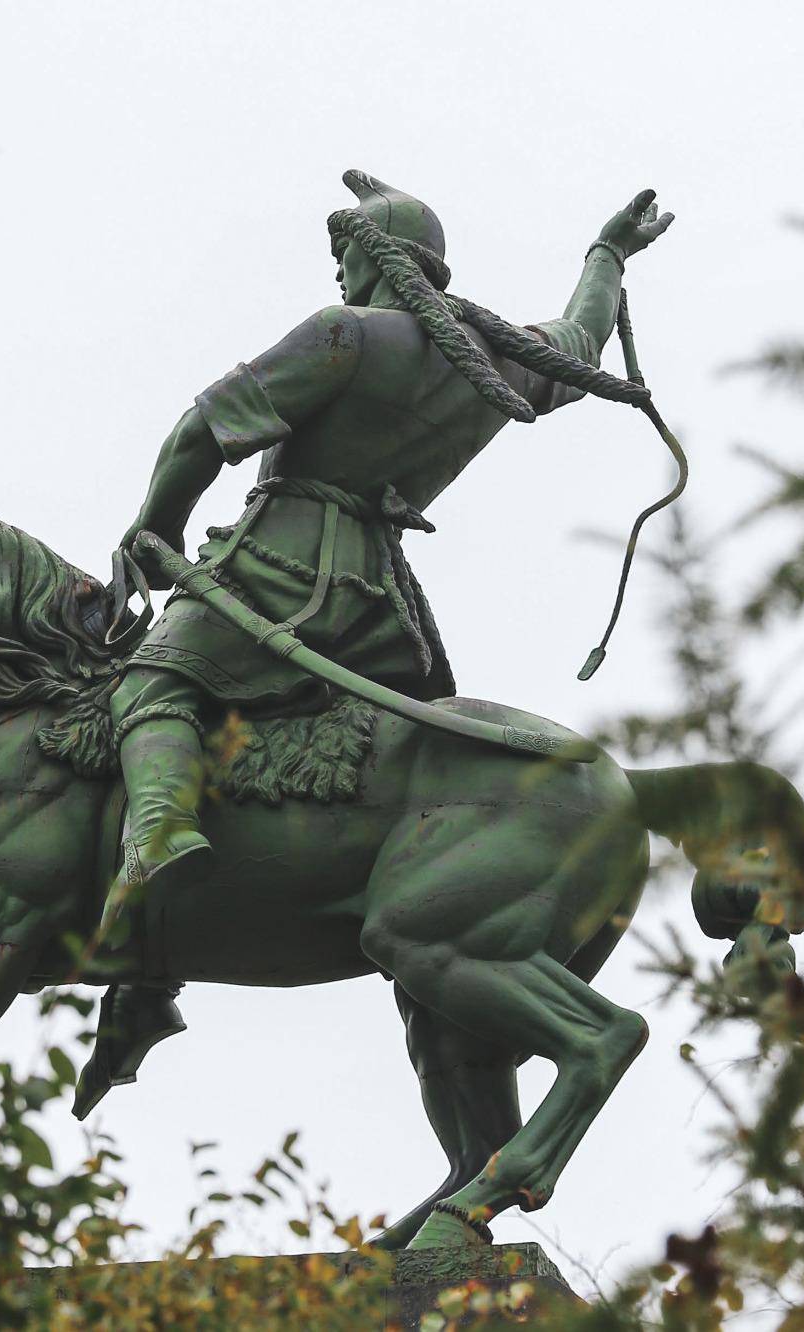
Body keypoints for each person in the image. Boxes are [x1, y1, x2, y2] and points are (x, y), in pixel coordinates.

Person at [74, 170, 674, 1116]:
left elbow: (204, 428)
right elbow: (582, 339)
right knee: (274, 762)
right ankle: (154, 969)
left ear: (376, 256)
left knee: (151, 684)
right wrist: (606, 255)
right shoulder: (492, 357)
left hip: (280, 574)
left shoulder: (344, 335)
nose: (340, 274)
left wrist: (158, 527)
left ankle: (154, 844)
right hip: (383, 616)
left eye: (344, 254)